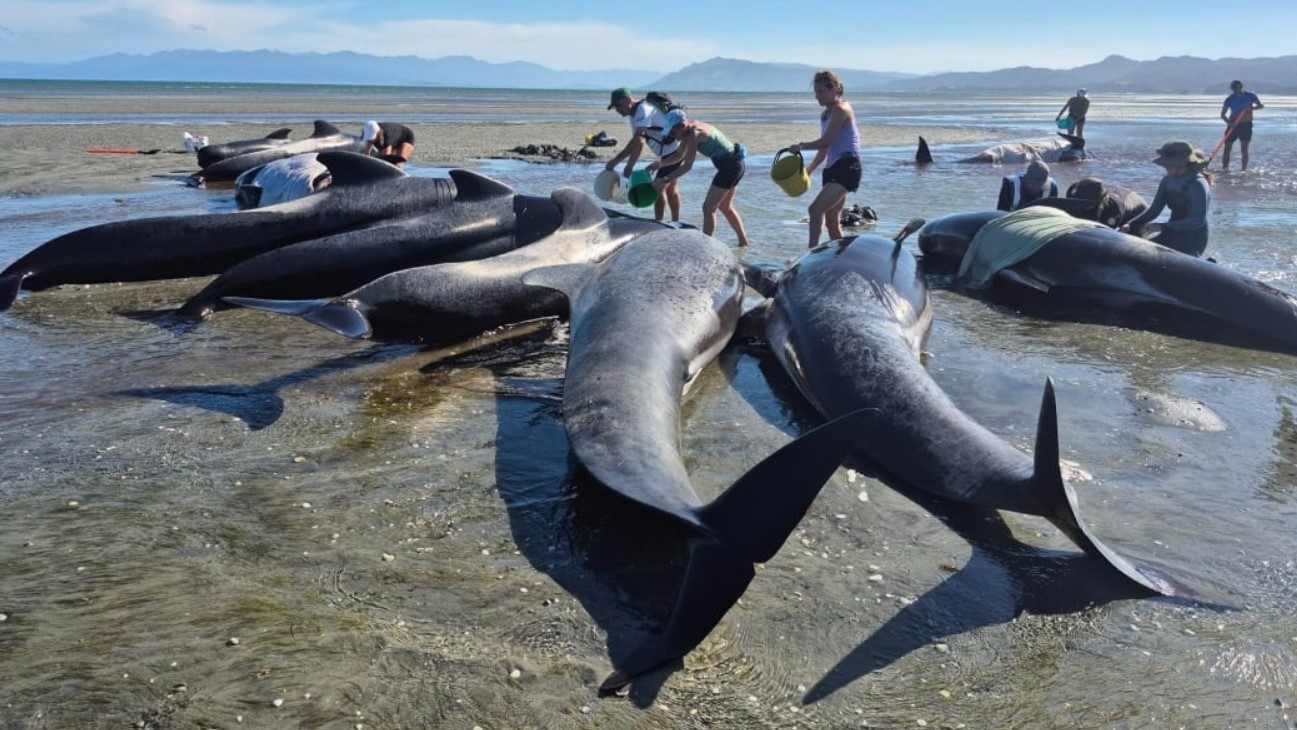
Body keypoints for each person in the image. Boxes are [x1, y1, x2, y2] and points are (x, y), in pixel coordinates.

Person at [649, 109, 751, 247]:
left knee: (708, 208)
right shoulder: (688, 131)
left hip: (731, 167)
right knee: (725, 206)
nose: (672, 137)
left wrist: (665, 179)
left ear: (682, 126)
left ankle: (705, 246)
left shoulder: (695, 134)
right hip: (735, 164)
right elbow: (679, 155)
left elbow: (687, 166)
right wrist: (660, 163)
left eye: (673, 133)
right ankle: (743, 242)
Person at [788, 70, 861, 248]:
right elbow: (824, 148)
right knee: (831, 221)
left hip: (848, 167)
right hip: (832, 168)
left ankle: (811, 253)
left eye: (821, 91)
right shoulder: (825, 114)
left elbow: (826, 140)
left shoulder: (841, 109)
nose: (816, 96)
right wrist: (809, 169)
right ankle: (841, 257)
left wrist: (802, 146)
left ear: (834, 89)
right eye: (816, 91)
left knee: (815, 209)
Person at [603, 88, 683, 222]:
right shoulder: (633, 115)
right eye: (615, 107)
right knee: (671, 188)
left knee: (658, 188)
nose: (618, 110)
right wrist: (623, 164)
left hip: (673, 150)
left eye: (619, 105)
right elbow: (637, 142)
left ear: (628, 101)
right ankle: (676, 222)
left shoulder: (642, 110)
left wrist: (623, 163)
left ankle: (659, 223)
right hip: (669, 150)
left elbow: (638, 141)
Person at [1120, 141, 1212, 257]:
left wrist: (1162, 226)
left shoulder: (1197, 183)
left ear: (1182, 163)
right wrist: (1131, 225)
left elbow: (1198, 220)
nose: (1166, 168)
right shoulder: (1167, 181)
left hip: (1192, 238)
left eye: (1169, 165)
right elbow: (1154, 210)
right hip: (1171, 233)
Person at [1220, 80, 1264, 172]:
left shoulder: (1250, 96)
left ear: (1241, 87)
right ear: (1232, 89)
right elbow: (1222, 115)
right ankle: (1225, 169)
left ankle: (1243, 170)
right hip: (1233, 124)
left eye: (1239, 88)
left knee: (1244, 148)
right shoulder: (1229, 99)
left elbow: (1260, 106)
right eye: (1235, 88)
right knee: (1227, 147)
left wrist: (1251, 108)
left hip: (1246, 124)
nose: (1237, 90)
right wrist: (1229, 123)